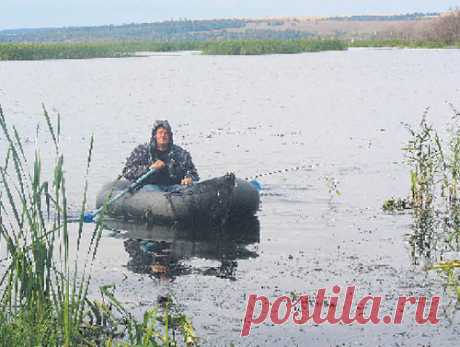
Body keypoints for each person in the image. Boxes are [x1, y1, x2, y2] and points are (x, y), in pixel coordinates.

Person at [121, 120, 199, 192]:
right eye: (160, 132)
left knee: (188, 189)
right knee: (149, 189)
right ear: (155, 135)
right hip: (150, 188)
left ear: (170, 136)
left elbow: (193, 173)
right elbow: (127, 172)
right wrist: (149, 168)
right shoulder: (141, 151)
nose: (163, 136)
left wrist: (189, 178)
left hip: (174, 188)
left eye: (166, 133)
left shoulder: (181, 153)